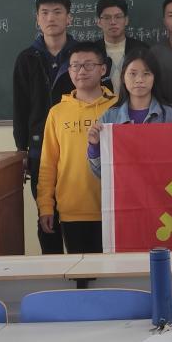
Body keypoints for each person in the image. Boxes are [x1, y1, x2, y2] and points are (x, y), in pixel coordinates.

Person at [13, 0, 77, 254]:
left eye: (58, 12)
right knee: (47, 219)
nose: (51, 18)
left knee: (77, 220)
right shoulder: (27, 58)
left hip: (76, 148)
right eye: (45, 13)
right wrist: (21, 149)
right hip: (40, 151)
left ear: (69, 18)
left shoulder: (82, 56)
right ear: (37, 19)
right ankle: (53, 271)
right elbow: (20, 107)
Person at [36, 42, 117, 254]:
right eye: (75, 66)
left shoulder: (117, 108)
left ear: (103, 69)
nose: (81, 71)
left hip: (113, 207)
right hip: (72, 210)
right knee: (81, 271)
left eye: (89, 65)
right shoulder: (57, 113)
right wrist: (45, 205)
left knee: (113, 270)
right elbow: (48, 164)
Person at [88, 48, 172, 176]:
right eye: (132, 74)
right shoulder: (110, 117)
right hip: (125, 188)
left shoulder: (171, 115)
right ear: (123, 77)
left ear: (154, 78)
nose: (139, 80)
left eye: (146, 74)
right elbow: (102, 174)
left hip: (161, 187)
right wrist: (94, 146)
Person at [94, 0, 148, 95]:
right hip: (100, 104)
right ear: (98, 22)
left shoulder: (141, 50)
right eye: (107, 18)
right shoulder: (92, 51)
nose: (113, 22)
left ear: (126, 20)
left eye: (118, 17)